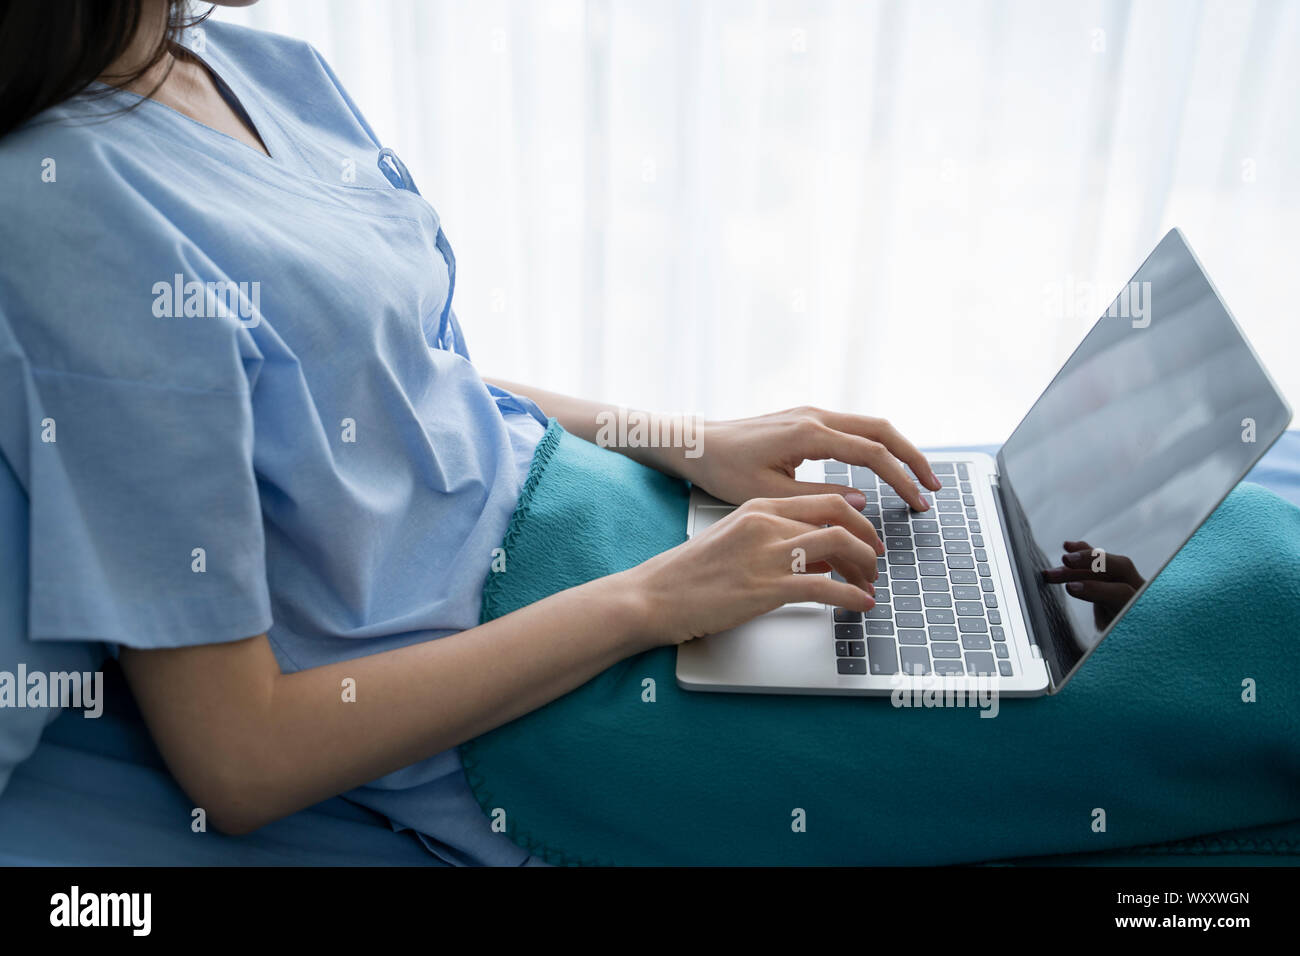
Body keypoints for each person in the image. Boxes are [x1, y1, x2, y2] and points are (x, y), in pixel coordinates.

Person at [0, 0, 943, 863]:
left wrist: (679, 438)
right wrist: (649, 602)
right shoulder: (66, 205)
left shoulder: (253, 65)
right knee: (1078, 723)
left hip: (625, 533)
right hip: (541, 715)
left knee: (1009, 584)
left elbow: (397, 382)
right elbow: (242, 759)